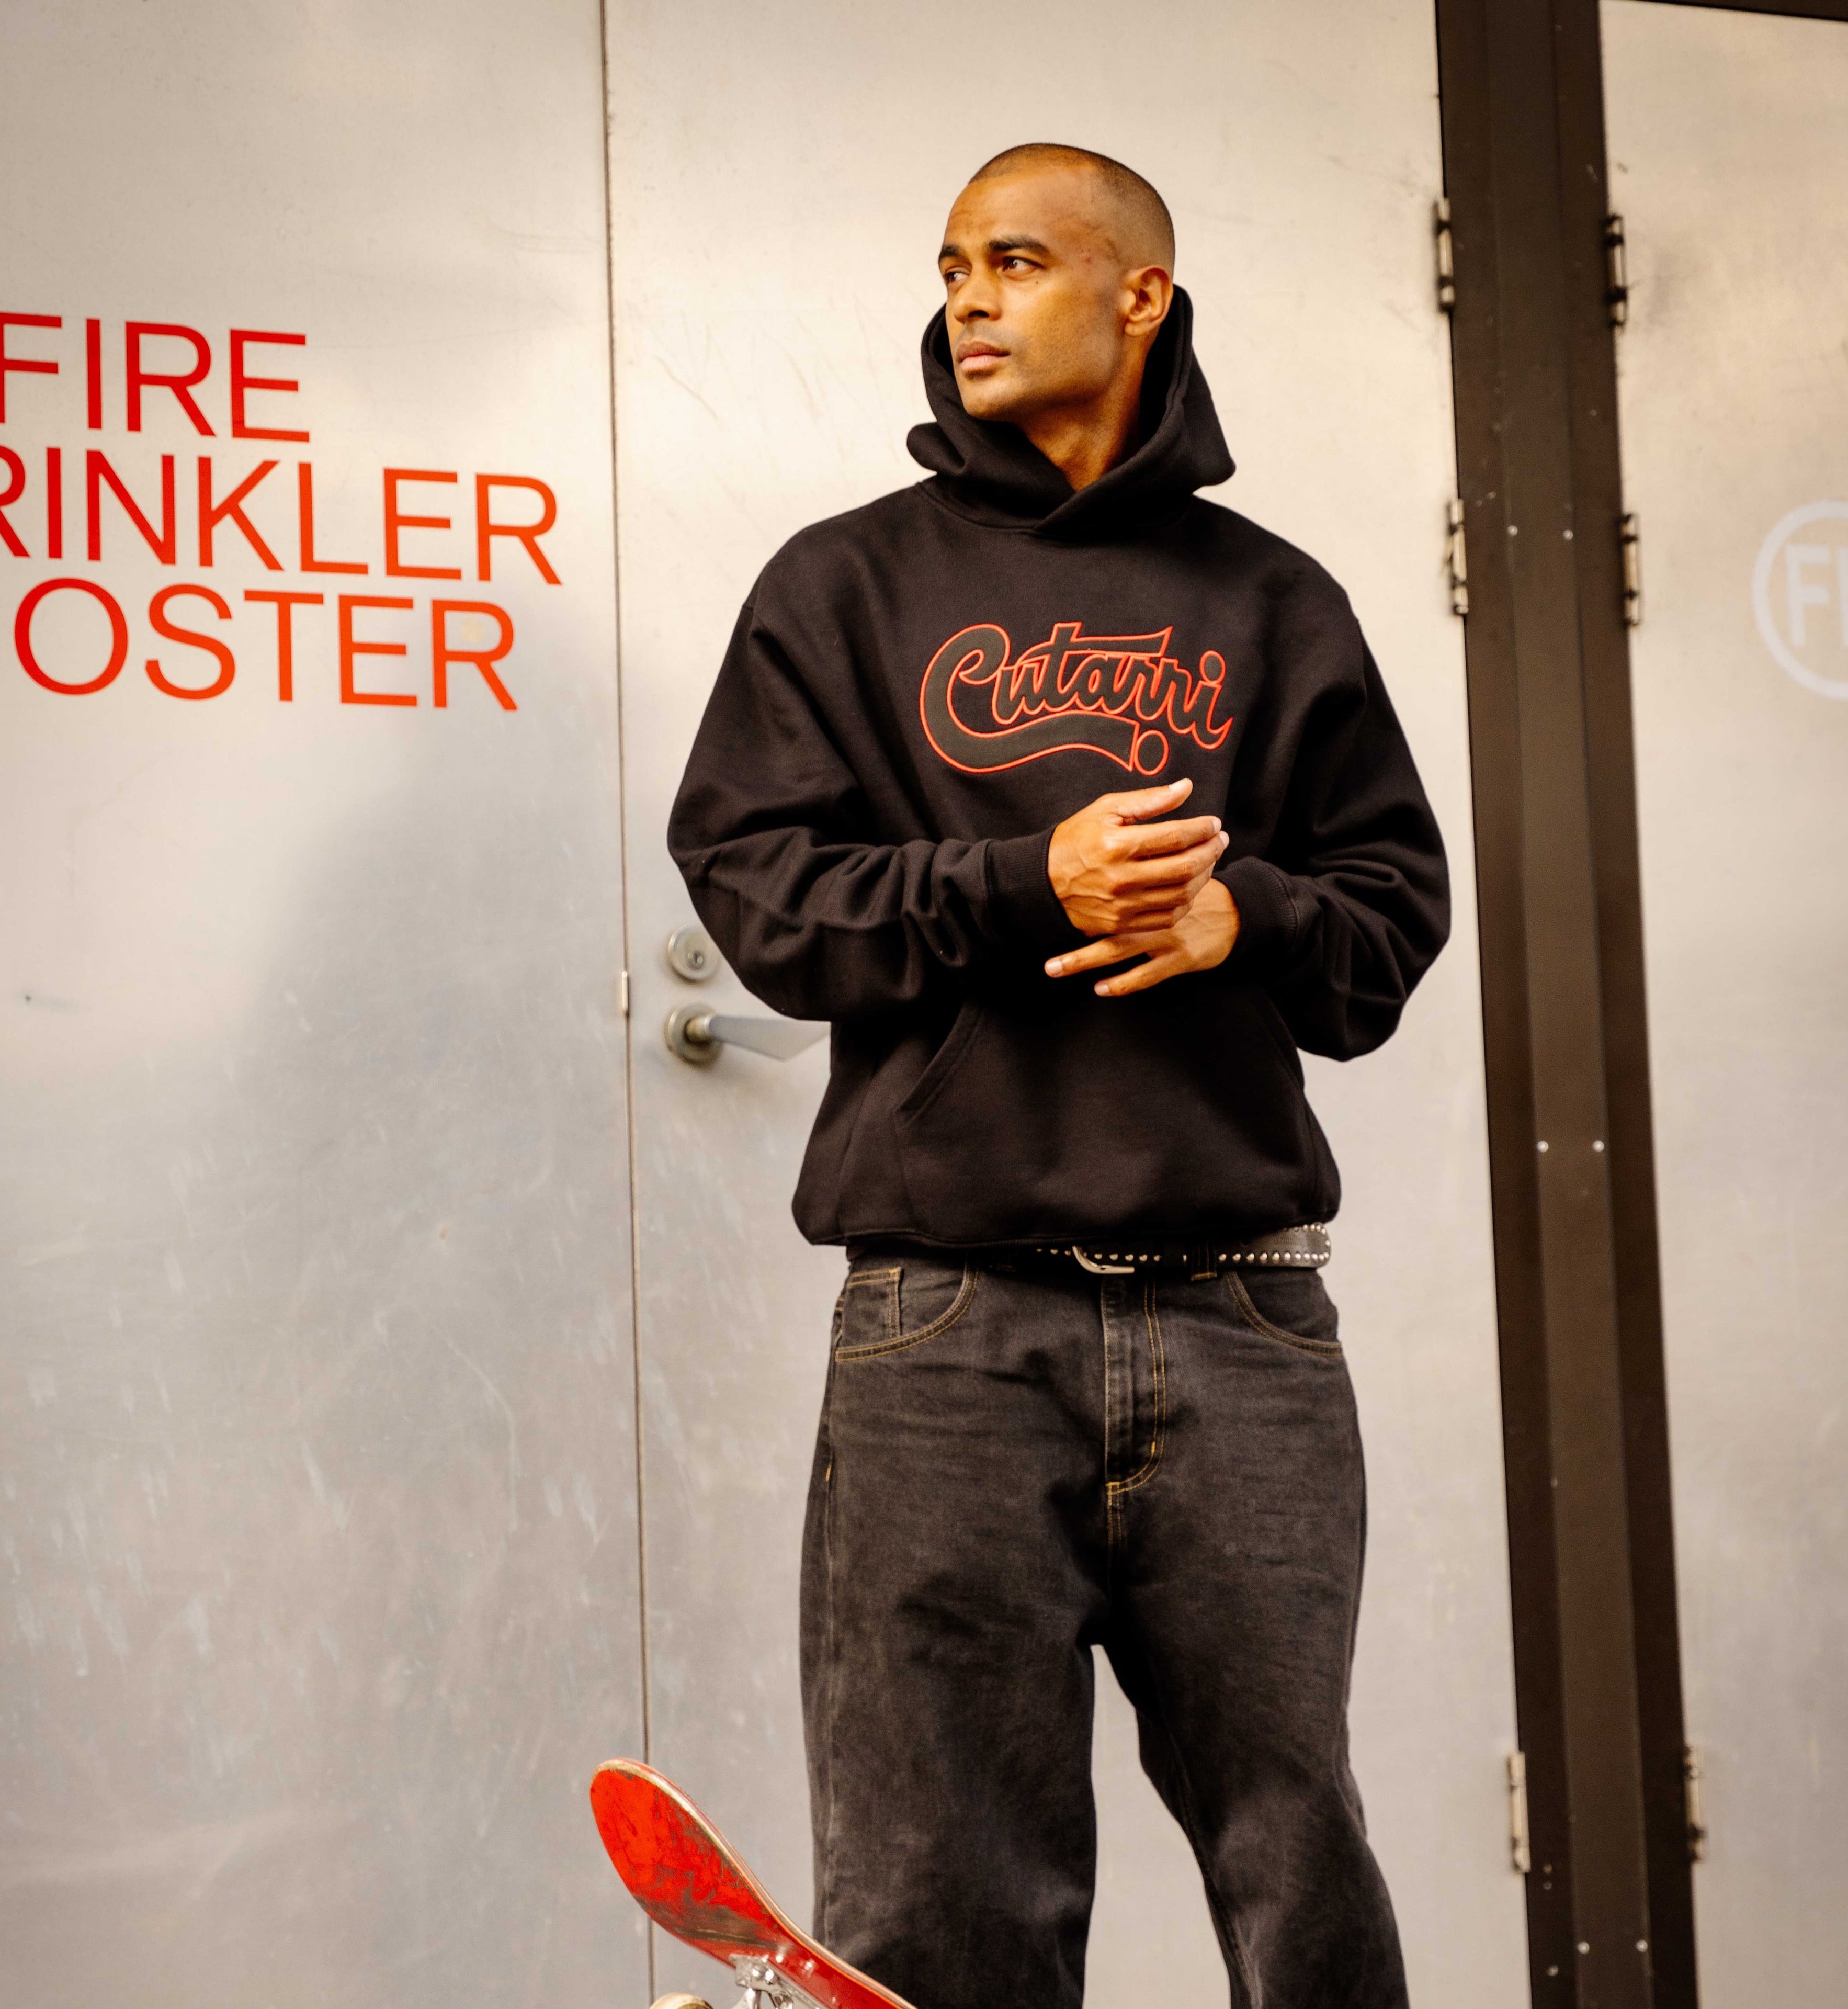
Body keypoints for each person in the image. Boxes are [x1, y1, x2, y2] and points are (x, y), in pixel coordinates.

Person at [668, 141, 1446, 2009]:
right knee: (941, 1893)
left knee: (1301, 1863)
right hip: (948, 1324)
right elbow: (764, 895)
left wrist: (1236, 922)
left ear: (1140, 296)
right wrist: (1035, 882)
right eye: (952, 267)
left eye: (1017, 261)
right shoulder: (846, 586)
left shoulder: (1276, 604)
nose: (972, 299)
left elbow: (1391, 919)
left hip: (1245, 1324)